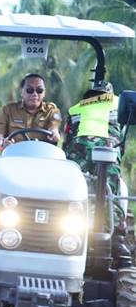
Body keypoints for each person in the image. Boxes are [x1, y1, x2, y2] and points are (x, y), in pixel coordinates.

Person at [63, 82, 125, 226]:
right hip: (107, 147)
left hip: (79, 146)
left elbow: (68, 138)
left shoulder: (75, 108)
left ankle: (66, 216)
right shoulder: (119, 103)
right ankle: (114, 225)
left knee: (73, 183)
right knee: (110, 186)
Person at [0, 73, 62, 149]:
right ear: (21, 92)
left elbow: (54, 127)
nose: (34, 94)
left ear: (44, 93)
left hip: (42, 154)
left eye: (39, 90)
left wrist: (54, 133)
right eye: (29, 90)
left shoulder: (51, 110)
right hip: (14, 154)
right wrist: (2, 142)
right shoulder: (7, 110)